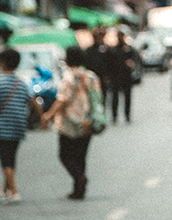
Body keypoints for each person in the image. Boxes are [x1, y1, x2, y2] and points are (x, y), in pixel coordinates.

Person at [42, 46, 100, 200]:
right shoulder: (91, 76)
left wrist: (48, 115)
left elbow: (62, 99)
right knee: (81, 156)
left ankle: (79, 178)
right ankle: (78, 189)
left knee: (65, 155)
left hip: (69, 122)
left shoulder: (69, 77)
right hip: (88, 121)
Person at [0, 48, 44, 203]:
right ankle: (5, 190)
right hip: (18, 126)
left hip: (3, 127)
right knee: (11, 157)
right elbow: (34, 102)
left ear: (2, 63)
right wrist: (42, 118)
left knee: (6, 160)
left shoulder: (1, 82)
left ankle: (15, 191)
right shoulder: (21, 82)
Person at [109, 29, 137, 123]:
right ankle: (114, 115)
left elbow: (135, 59)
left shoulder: (129, 50)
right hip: (116, 76)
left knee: (127, 97)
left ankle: (127, 115)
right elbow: (110, 63)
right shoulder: (113, 50)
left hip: (126, 76)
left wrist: (131, 63)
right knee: (115, 97)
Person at [84, 26, 111, 107]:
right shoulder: (89, 50)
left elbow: (109, 63)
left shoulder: (106, 49)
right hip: (92, 77)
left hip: (102, 77)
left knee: (103, 97)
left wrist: (107, 76)